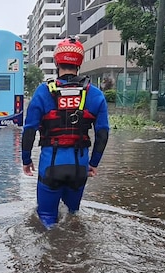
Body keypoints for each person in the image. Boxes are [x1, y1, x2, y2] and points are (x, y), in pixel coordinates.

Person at [21, 37, 110, 229]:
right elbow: (102, 133)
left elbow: (29, 130)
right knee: (73, 217)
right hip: (80, 167)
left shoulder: (43, 92)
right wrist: (93, 164)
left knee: (46, 218)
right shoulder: (95, 95)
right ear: (79, 62)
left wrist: (26, 159)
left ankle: (52, 254)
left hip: (50, 165)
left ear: (56, 62)